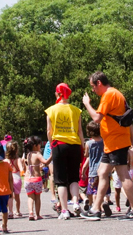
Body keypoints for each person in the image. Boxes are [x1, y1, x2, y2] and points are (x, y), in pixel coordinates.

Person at [81, 71, 133, 221]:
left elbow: (97, 118)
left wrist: (87, 104)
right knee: (102, 172)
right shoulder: (117, 94)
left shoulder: (109, 95)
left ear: (99, 83)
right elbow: (127, 120)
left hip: (116, 142)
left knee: (123, 174)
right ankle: (96, 209)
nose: (92, 90)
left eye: (93, 86)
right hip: (111, 143)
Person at [45, 83, 85, 220]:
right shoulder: (76, 110)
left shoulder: (51, 110)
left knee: (61, 180)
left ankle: (64, 210)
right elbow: (80, 131)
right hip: (74, 145)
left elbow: (49, 131)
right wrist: (83, 145)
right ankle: (75, 202)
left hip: (59, 145)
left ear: (58, 94)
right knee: (74, 177)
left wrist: (51, 145)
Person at [25, 136, 53, 220]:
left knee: (30, 197)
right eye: (39, 145)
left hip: (28, 179)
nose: (40, 146)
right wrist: (51, 155)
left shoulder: (28, 154)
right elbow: (46, 162)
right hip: (36, 179)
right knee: (37, 198)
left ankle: (30, 212)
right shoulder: (37, 154)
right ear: (35, 145)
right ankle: (37, 214)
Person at [5, 141, 24, 218]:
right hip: (16, 178)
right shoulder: (18, 159)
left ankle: (10, 212)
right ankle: (18, 211)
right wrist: (23, 172)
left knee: (9, 196)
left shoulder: (6, 160)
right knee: (17, 196)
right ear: (16, 150)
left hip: (8, 178)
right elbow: (21, 169)